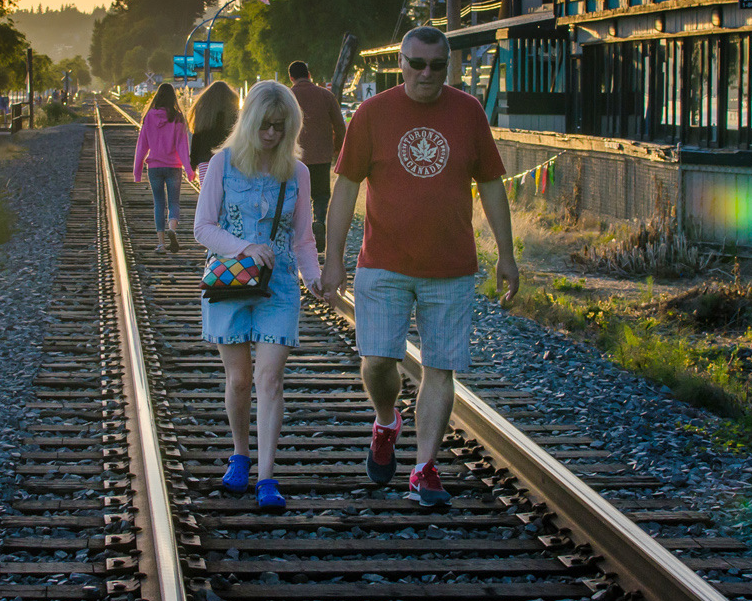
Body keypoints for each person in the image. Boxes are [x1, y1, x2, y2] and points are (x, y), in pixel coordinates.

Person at [319, 26, 518, 507]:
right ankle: (387, 421)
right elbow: (345, 188)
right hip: (383, 263)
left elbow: (492, 184)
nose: (427, 73)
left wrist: (507, 254)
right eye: (417, 64)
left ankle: (424, 468)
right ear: (401, 63)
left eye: (437, 65)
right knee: (377, 362)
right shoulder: (372, 113)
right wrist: (333, 258)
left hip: (451, 267)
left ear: (446, 66)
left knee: (440, 368)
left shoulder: (468, 111)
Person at [195, 81, 321, 513]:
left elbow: (303, 238)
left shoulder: (297, 172)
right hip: (230, 281)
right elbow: (203, 228)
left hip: (279, 286)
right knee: (239, 379)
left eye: (280, 126)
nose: (271, 134)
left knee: (270, 380)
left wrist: (313, 277)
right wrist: (245, 247)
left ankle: (267, 476)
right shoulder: (222, 164)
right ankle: (240, 454)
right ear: (249, 121)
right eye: (265, 125)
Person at [286, 60, 346, 251]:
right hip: (321, 155)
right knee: (320, 194)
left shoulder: (287, 96)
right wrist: (338, 148)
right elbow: (340, 126)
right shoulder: (326, 95)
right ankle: (319, 221)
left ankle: (299, 231)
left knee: (295, 194)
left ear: (291, 77)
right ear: (309, 74)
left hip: (293, 157)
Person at [132, 82, 195, 254]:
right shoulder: (177, 117)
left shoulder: (149, 117)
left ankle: (161, 244)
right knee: (174, 202)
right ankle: (172, 229)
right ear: (173, 98)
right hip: (173, 167)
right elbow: (182, 146)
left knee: (159, 204)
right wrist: (189, 170)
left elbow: (142, 146)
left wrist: (137, 171)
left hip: (154, 167)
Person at [189, 79, 240, 172]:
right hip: (227, 160)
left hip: (205, 159)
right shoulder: (233, 114)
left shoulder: (203, 113)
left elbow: (196, 137)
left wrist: (193, 162)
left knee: (206, 182)